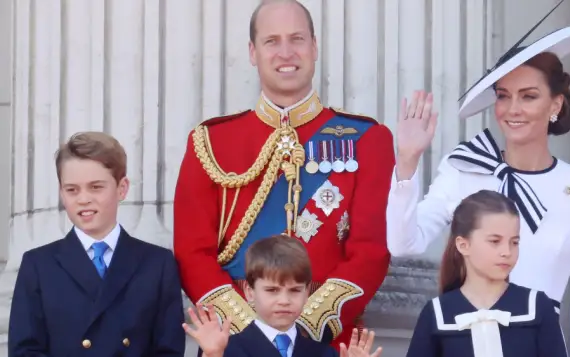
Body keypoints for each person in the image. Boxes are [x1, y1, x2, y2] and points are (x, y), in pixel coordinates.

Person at [387, 3, 570, 356]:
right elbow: (403, 245)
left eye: (529, 96)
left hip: (539, 344)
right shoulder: (464, 168)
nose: (512, 110)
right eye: (504, 96)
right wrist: (407, 163)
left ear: (555, 105)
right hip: (462, 340)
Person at [173, 0, 394, 348]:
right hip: (235, 344)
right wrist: (252, 333)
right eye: (271, 41)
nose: (286, 52)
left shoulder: (367, 139)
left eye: (297, 39)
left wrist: (301, 329)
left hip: (327, 345)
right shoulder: (211, 141)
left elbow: (371, 252)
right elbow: (192, 252)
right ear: (252, 51)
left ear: (315, 46)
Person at [8, 132, 185, 356]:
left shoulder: (157, 264)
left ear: (122, 188)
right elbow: (25, 350)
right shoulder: (38, 265)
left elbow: (168, 350)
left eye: (96, 187)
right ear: (62, 192)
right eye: (72, 189)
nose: (83, 199)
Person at [405, 190, 568, 357]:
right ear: (463, 245)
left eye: (514, 242)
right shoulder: (437, 313)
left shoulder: (537, 307)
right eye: (495, 241)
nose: (506, 251)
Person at [182, 235, 383, 357]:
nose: (284, 300)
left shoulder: (324, 353)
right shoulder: (226, 348)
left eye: (295, 290)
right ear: (250, 292)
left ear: (307, 293)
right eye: (272, 290)